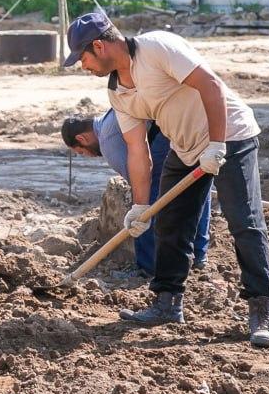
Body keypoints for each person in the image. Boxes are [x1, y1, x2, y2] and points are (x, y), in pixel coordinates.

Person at [64, 11, 269, 348]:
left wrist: (217, 144)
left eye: (83, 58)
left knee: (244, 221)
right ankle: (167, 302)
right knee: (170, 221)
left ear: (98, 46)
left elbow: (210, 85)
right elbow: (138, 150)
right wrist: (139, 206)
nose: (83, 66)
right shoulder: (119, 93)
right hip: (186, 146)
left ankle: (262, 309)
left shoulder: (158, 47)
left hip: (231, 135)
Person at [62, 109, 211, 277]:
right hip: (191, 119)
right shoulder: (109, 117)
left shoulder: (107, 140)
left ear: (82, 139)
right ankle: (198, 255)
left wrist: (140, 204)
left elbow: (139, 180)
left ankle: (148, 267)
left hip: (169, 129)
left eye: (82, 152)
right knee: (196, 181)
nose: (88, 156)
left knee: (143, 199)